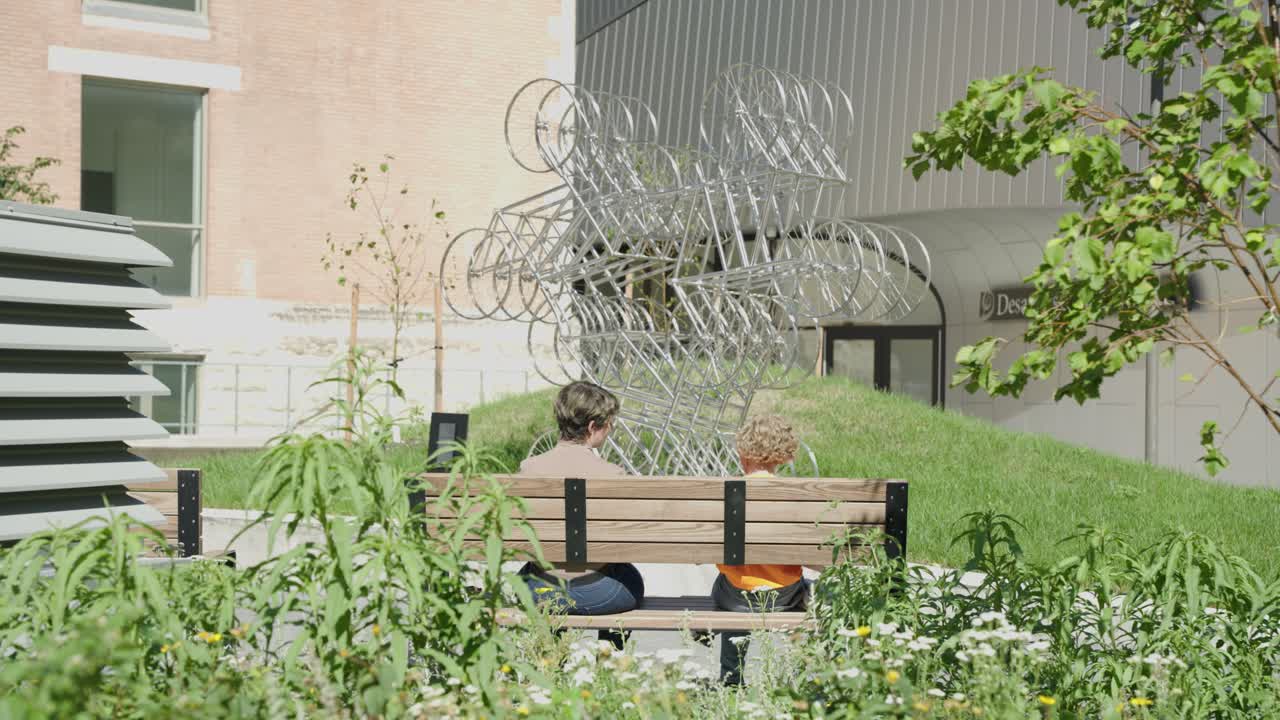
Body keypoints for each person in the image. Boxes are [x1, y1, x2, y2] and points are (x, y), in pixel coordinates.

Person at [517, 380, 643, 649]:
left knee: (531, 571)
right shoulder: (612, 475)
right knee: (629, 575)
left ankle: (550, 661)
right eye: (609, 424)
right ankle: (608, 661)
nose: (610, 429)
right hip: (598, 592)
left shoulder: (528, 469)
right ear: (592, 427)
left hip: (540, 591)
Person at [712, 414, 810, 685]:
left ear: (743, 455)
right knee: (806, 588)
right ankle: (800, 677)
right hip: (784, 595)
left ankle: (731, 678)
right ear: (783, 456)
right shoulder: (794, 495)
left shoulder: (726, 493)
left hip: (737, 597)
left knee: (726, 585)